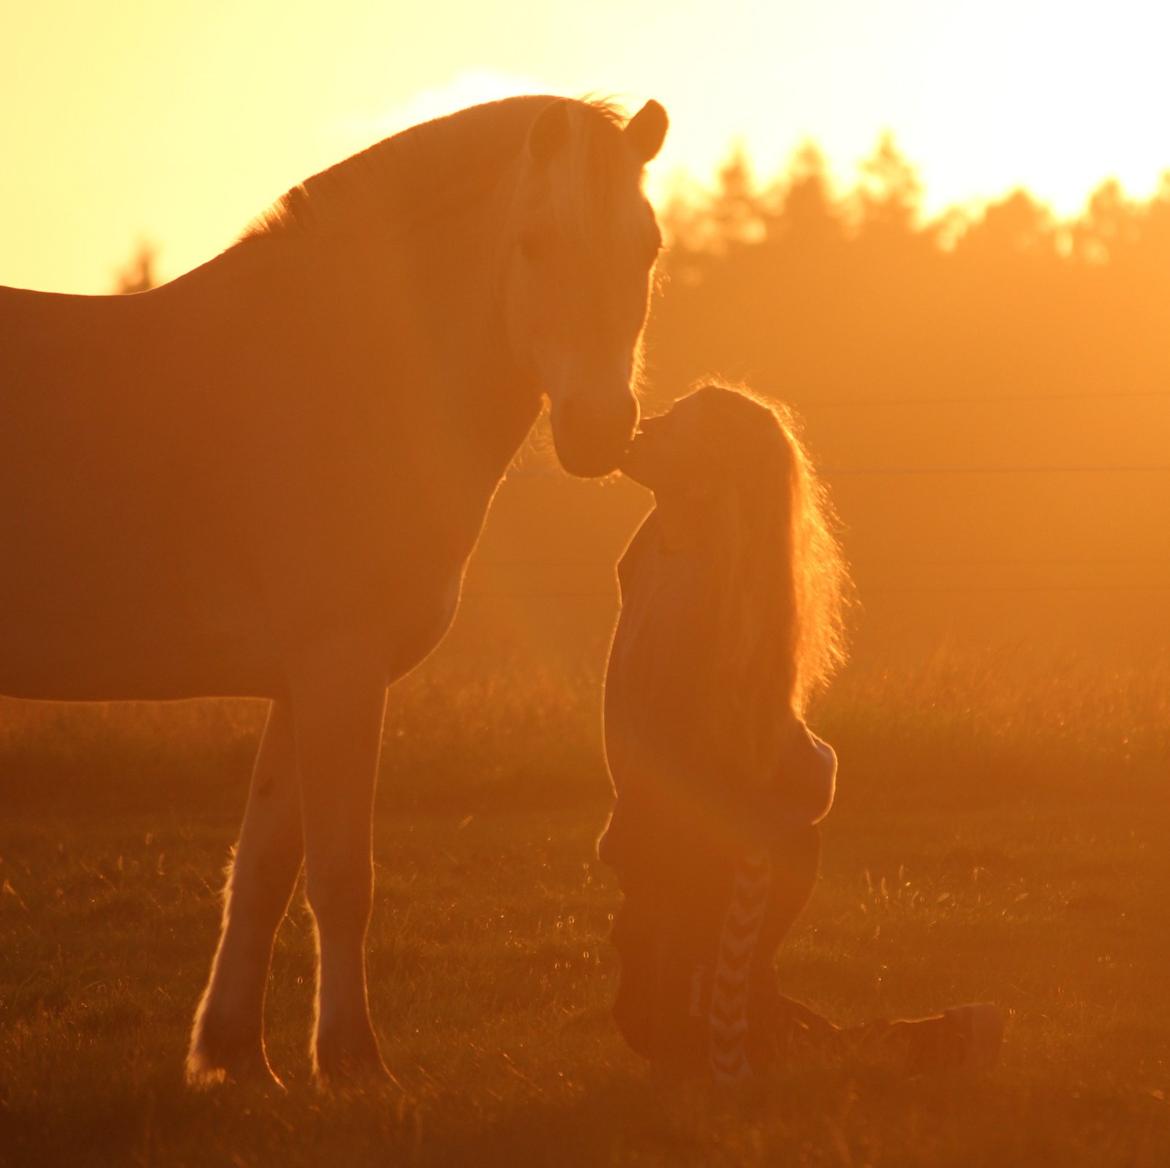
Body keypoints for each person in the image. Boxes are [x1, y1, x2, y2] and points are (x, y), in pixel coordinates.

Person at [600, 384, 1002, 1081]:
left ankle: (935, 1051)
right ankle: (944, 1046)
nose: (650, 423)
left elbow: (724, 749)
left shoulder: (722, 595)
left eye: (675, 426)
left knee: (725, 1060)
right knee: (650, 1021)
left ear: (703, 479)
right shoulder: (656, 547)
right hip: (661, 839)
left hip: (738, 850)